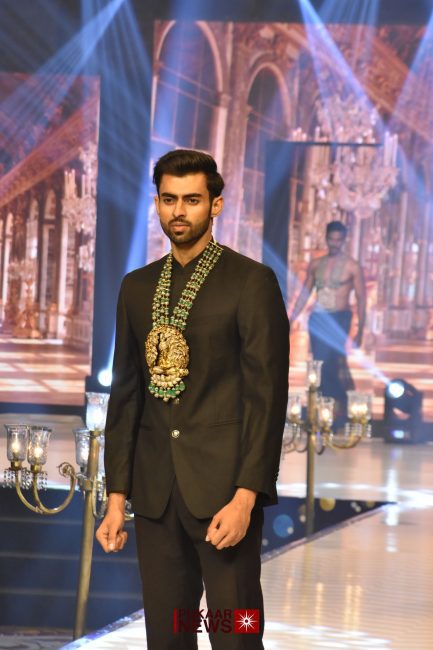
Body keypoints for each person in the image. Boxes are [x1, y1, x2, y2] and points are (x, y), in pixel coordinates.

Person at [96, 149, 289, 649]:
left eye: (192, 200)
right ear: (157, 204)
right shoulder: (136, 288)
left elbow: (266, 399)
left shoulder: (251, 282)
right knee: (168, 633)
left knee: (235, 631)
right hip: (155, 493)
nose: (178, 211)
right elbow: (126, 397)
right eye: (169, 199)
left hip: (224, 493)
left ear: (215, 205)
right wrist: (116, 498)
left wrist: (247, 496)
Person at [290, 220, 365, 425]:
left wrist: (360, 331)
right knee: (319, 365)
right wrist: (291, 318)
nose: (335, 243)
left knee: (335, 363)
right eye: (331, 239)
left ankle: (339, 411)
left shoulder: (352, 266)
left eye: (339, 240)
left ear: (344, 240)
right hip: (318, 318)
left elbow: (361, 299)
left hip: (340, 318)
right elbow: (305, 293)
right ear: (326, 238)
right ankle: (322, 411)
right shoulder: (316, 264)